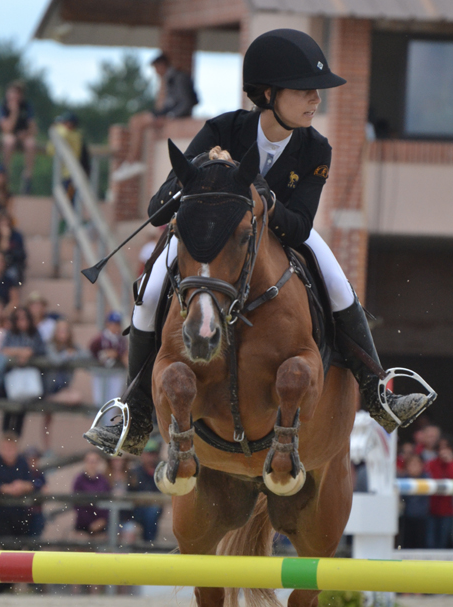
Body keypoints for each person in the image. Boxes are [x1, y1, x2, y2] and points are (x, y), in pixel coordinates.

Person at [87, 29, 435, 456]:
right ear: (268, 94)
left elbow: (301, 226)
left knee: (340, 284)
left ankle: (378, 390)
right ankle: (134, 410)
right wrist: (199, 170)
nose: (315, 101)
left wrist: (261, 195)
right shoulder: (223, 129)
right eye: (305, 91)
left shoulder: (316, 149)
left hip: (281, 238)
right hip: (214, 240)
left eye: (316, 93)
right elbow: (160, 209)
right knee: (150, 292)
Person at [113, 53, 199, 182]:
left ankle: (133, 161)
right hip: (166, 112)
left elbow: (187, 102)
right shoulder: (170, 78)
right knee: (135, 120)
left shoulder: (178, 77)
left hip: (172, 115)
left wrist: (170, 117)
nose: (156, 72)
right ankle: (131, 161)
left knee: (138, 123)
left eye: (156, 68)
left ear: (162, 65)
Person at [0, 433, 35, 592]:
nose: (9, 451)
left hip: (20, 513)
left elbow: (32, 483)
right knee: (5, 547)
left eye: (11, 448)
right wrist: (7, 489)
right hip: (0, 513)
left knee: (18, 548)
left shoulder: (22, 462)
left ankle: (11, 583)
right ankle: (3, 585)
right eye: (5, 448)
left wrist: (22, 486)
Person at [1, 306, 46, 436]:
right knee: (9, 409)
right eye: (18, 319)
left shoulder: (35, 333)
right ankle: (5, 439)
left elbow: (41, 350)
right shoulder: (10, 333)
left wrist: (30, 354)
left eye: (24, 318)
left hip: (28, 377)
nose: (22, 321)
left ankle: (16, 441)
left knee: (22, 410)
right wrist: (20, 352)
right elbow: (4, 350)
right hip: (12, 376)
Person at [43, 318, 83, 450]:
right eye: (60, 330)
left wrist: (74, 354)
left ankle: (49, 399)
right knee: (47, 419)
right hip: (49, 386)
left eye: (65, 331)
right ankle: (47, 448)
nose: (62, 333)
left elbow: (85, 355)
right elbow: (55, 360)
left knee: (76, 397)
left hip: (63, 389)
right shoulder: (50, 345)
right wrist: (67, 355)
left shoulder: (73, 347)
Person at [426, 436, 453, 550]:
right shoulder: (431, 464)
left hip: (448, 510)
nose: (443, 451)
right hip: (431, 509)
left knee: (443, 542)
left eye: (446, 447)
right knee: (430, 543)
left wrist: (450, 462)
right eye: (441, 448)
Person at [0, 81, 37, 193]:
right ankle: (5, 175)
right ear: (7, 93)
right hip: (7, 136)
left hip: (23, 137)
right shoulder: (2, 106)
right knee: (9, 141)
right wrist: (14, 112)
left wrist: (26, 133)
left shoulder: (27, 106)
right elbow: (7, 128)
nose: (16, 95)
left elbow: (34, 129)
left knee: (31, 143)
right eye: (13, 92)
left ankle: (27, 178)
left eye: (19, 93)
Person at [89, 311, 128, 408]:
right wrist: (104, 355)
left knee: (113, 402)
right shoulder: (100, 338)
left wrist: (116, 354)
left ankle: (109, 423)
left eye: (117, 324)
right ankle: (101, 422)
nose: (115, 327)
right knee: (99, 401)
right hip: (101, 372)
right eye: (113, 324)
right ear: (108, 324)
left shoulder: (122, 340)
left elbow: (123, 353)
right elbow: (92, 350)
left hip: (115, 373)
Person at [128, 438, 163, 542]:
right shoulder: (134, 472)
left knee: (152, 511)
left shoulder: (161, 472)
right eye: (148, 453)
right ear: (142, 454)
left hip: (153, 509)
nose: (150, 457)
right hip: (136, 509)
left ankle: (149, 543)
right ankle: (149, 543)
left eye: (153, 454)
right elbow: (129, 490)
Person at [73, 450, 112, 538]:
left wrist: (102, 520)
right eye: (90, 461)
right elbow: (76, 503)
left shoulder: (103, 481)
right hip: (82, 524)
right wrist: (89, 523)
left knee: (103, 545)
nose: (92, 464)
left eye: (94, 461)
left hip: (101, 524)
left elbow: (108, 501)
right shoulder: (79, 480)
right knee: (80, 543)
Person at [399, 453, 429, 549]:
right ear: (407, 466)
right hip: (406, 518)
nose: (414, 467)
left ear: (422, 466)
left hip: (423, 518)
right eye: (412, 464)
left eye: (417, 464)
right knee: (406, 544)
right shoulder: (402, 481)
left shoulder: (427, 479)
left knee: (422, 544)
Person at [0, 212, 26, 283]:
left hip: (11, 265)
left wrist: (6, 238)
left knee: (12, 274)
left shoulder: (17, 236)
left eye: (6, 223)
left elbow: (21, 255)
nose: (4, 226)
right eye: (1, 223)